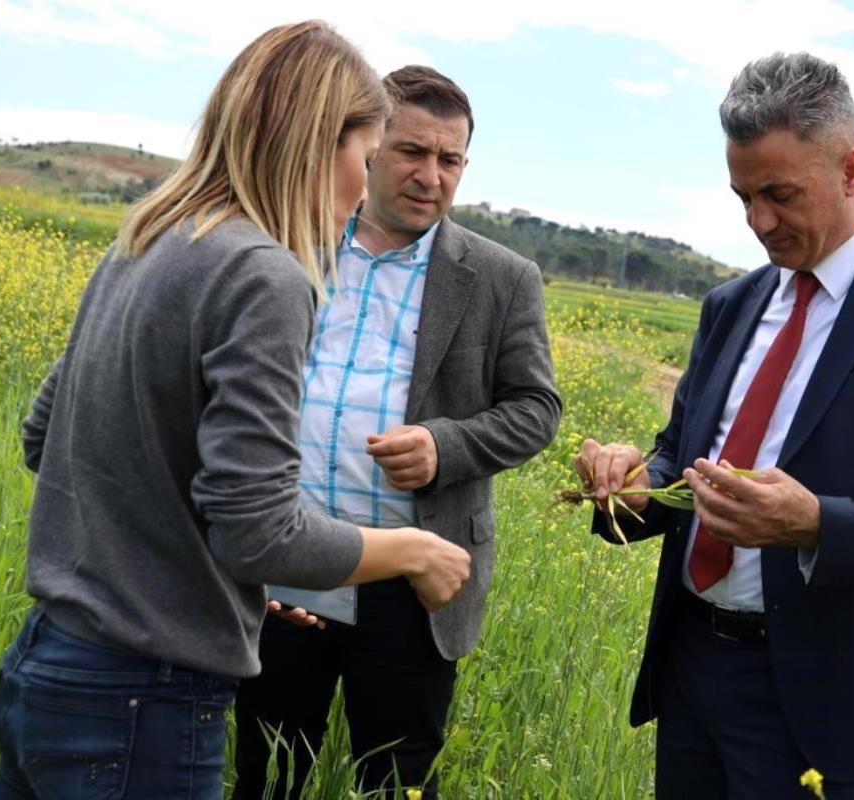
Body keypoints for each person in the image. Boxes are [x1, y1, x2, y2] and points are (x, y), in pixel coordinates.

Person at [0, 22, 473, 800]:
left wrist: (212, 573)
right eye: (366, 153)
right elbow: (260, 529)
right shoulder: (263, 273)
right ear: (321, 143)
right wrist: (415, 550)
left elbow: (46, 436)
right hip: (144, 704)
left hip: (48, 667)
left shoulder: (147, 236)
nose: (363, 181)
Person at [573, 52, 854, 798]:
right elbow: (682, 454)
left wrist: (816, 524)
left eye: (780, 194)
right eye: (743, 197)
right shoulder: (730, 305)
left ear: (851, 170)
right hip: (692, 664)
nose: (759, 222)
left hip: (821, 692)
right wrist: (633, 484)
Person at [233, 65, 561, 799]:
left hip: (411, 581)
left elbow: (537, 407)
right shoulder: (294, 243)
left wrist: (447, 446)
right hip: (292, 561)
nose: (431, 175)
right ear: (370, 146)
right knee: (269, 773)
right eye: (412, 151)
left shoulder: (501, 277)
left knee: (396, 781)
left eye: (450, 160)